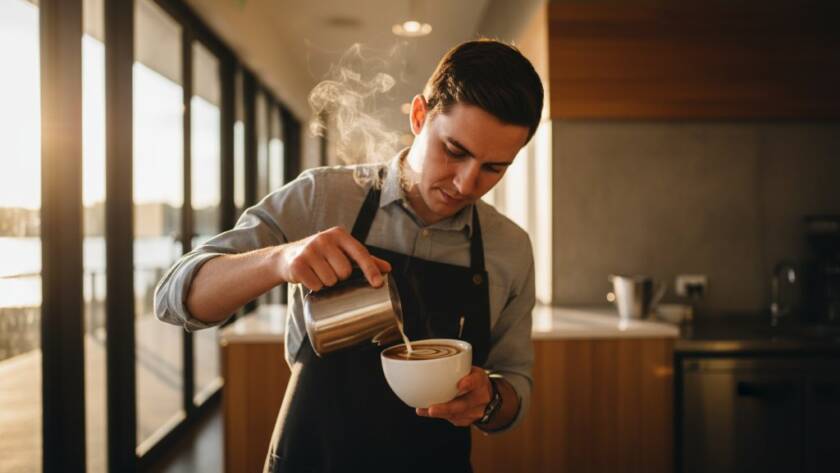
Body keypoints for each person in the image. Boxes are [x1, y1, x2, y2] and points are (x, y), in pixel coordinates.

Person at [155, 38, 543, 473]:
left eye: (494, 167)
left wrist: (489, 401)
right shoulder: (322, 196)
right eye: (455, 151)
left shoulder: (508, 247)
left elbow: (516, 387)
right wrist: (280, 260)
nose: (467, 184)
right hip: (311, 458)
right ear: (419, 116)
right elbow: (174, 299)